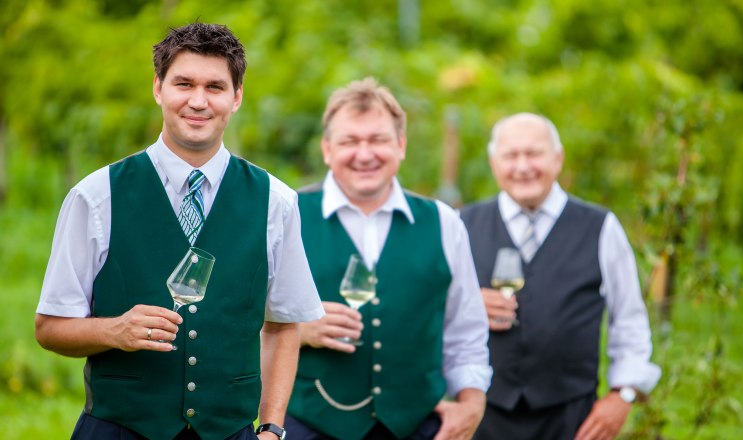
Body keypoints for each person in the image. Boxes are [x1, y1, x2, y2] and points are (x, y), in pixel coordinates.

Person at [34, 23, 324, 440]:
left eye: (215, 87)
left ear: (237, 97)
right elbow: (49, 327)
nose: (198, 101)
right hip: (119, 431)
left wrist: (272, 428)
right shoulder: (96, 196)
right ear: (158, 88)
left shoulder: (276, 201)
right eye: (184, 83)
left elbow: (283, 325)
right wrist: (112, 330)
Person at [284, 77, 491, 440]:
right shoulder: (286, 216)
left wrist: (472, 403)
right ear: (327, 149)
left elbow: (466, 331)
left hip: (418, 426)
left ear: (401, 145)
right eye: (350, 141)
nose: (365, 154)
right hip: (308, 425)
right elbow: (236, 322)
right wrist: (296, 331)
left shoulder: (443, 222)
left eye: (378, 140)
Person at [461, 113, 662, 440]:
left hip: (573, 420)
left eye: (534, 153)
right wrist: (465, 307)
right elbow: (428, 312)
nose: (523, 166)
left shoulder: (600, 227)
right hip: (484, 416)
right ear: (493, 162)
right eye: (511, 155)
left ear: (558, 158)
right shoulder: (461, 224)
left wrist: (623, 394)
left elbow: (629, 318)